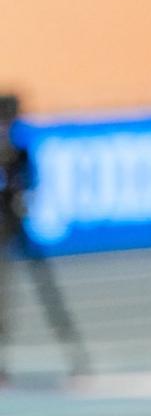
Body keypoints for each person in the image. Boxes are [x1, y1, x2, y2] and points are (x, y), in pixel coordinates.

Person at [0, 96, 88, 381]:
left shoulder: (19, 151)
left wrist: (22, 197)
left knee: (45, 291)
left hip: (14, 223)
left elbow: (29, 183)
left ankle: (76, 356)